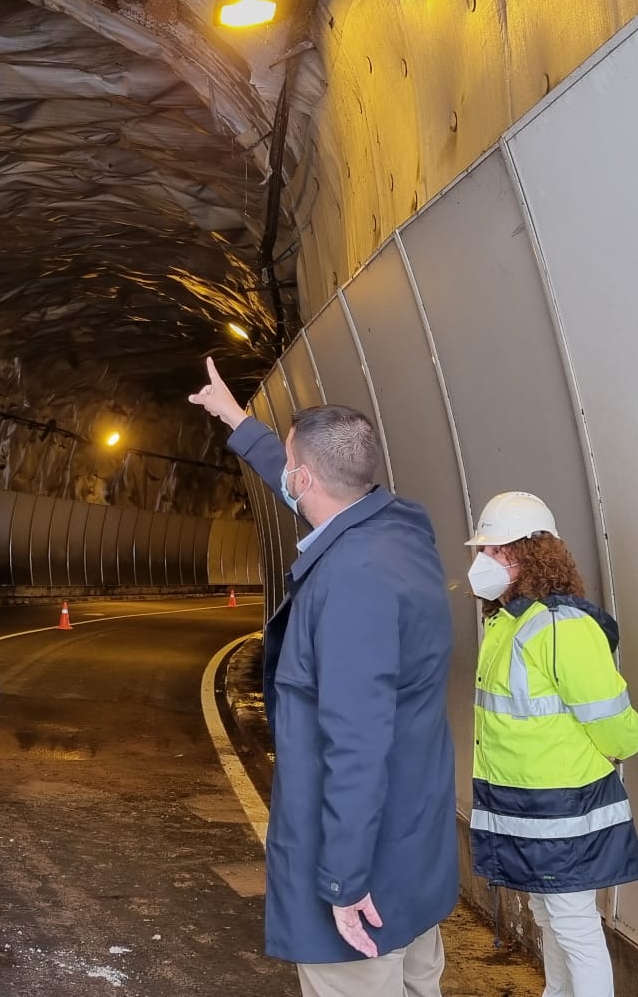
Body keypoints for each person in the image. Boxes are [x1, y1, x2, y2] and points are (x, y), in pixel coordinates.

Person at [189, 358, 458, 997]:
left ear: (305, 476)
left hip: (364, 865)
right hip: (413, 845)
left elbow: (356, 743)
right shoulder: (401, 531)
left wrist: (343, 879)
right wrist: (236, 420)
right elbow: (311, 490)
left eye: (290, 464)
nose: (287, 475)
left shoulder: (351, 583)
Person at [464, 492, 638, 997]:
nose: (483, 561)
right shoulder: (508, 621)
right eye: (483, 550)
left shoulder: (563, 625)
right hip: (523, 802)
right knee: (548, 914)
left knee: (572, 922)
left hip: (562, 805)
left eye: (496, 550)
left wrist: (622, 746)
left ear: (531, 552)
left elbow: (614, 722)